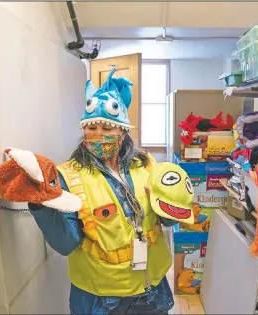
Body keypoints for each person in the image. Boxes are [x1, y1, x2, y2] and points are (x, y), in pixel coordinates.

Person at [29, 69, 177, 315]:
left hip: (152, 290)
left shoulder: (146, 164)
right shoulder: (68, 176)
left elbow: (167, 221)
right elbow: (66, 243)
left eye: (107, 128)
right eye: (92, 127)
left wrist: (171, 203)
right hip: (102, 298)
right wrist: (39, 205)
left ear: (122, 132)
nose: (99, 134)